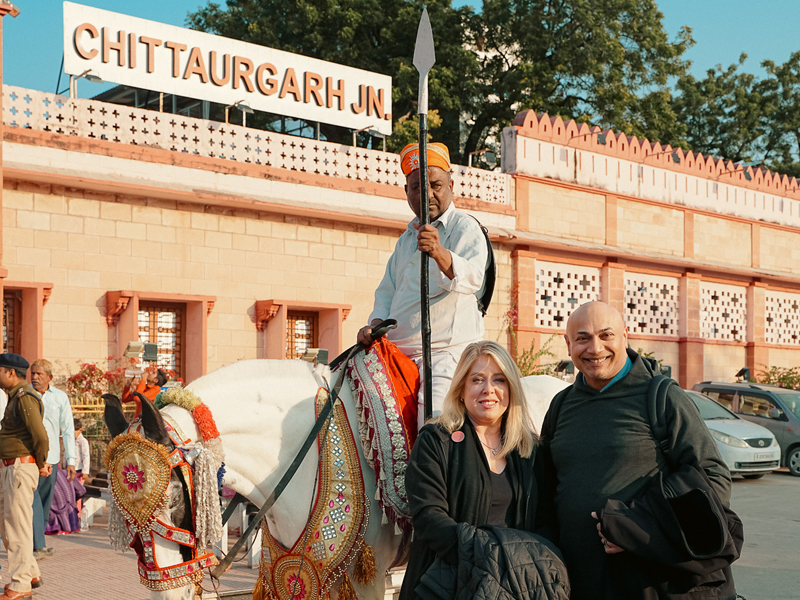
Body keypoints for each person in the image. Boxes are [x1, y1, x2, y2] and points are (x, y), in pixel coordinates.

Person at [540, 301, 735, 600]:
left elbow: (713, 479)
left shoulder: (662, 397)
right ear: (568, 345)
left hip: (652, 581)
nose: (595, 348)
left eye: (606, 335)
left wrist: (640, 528)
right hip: (578, 580)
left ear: (625, 336)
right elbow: (546, 488)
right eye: (583, 338)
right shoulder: (561, 405)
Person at [400, 341, 566, 600]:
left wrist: (519, 568)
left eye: (499, 380)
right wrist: (491, 558)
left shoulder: (531, 450)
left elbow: (546, 522)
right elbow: (429, 517)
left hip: (517, 587)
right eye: (477, 379)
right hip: (449, 585)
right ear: (461, 390)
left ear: (510, 389)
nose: (489, 390)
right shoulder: (436, 440)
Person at [357, 143, 488, 425]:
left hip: (444, 353)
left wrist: (440, 253)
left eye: (435, 185)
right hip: (396, 350)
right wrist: (374, 324)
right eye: (417, 187)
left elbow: (475, 278)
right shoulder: (406, 239)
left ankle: (436, 469)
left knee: (433, 425)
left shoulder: (465, 228)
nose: (427, 194)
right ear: (406, 192)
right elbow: (387, 292)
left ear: (451, 185)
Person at [0, 353, 48, 598]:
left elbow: (40, 436)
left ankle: (20, 585)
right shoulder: (14, 397)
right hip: (10, 467)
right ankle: (31, 572)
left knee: (17, 529)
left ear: (10, 372)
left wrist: (41, 463)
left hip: (20, 467)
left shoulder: (24, 397)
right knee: (8, 528)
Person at [29, 358, 76, 561]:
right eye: (33, 373)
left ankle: (36, 541)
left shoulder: (60, 397)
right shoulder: (25, 394)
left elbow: (67, 429)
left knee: (45, 502)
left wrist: (71, 460)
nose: (35, 377)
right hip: (29, 458)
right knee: (32, 500)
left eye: (39, 374)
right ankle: (38, 545)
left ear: (50, 377)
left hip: (52, 458)